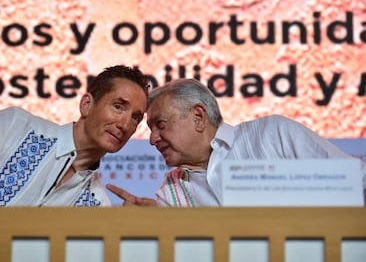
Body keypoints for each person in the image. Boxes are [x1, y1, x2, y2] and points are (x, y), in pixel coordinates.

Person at [107, 78, 366, 207]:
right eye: (150, 129)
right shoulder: (172, 191)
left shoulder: (273, 135)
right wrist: (153, 222)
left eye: (160, 125)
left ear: (198, 117)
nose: (152, 139)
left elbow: (358, 183)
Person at [0, 65, 149, 207]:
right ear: (86, 105)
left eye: (135, 118)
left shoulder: (97, 205)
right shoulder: (15, 126)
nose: (125, 125)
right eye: (118, 106)